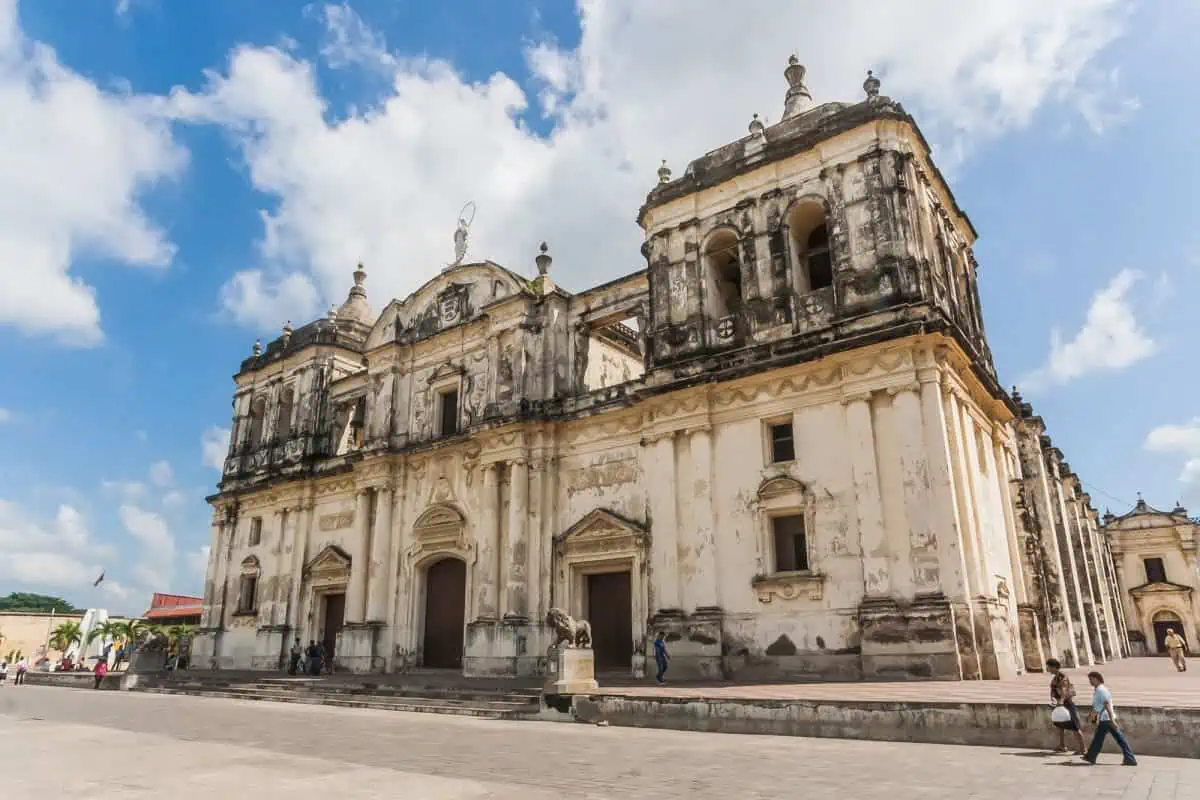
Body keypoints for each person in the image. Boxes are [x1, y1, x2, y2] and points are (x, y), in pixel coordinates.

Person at [1082, 671, 1137, 766]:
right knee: (1100, 739)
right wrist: (1092, 716)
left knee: (1117, 739)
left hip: (1106, 719)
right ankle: (1091, 756)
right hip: (1104, 718)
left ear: (1096, 679)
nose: (1090, 681)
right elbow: (1097, 705)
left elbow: (1106, 704)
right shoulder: (1098, 689)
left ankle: (1130, 758)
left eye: (1091, 679)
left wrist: (1112, 720)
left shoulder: (1101, 690)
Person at [1046, 658, 1084, 755]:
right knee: (1060, 725)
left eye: (1049, 667)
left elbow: (1063, 689)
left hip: (1066, 704)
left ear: (1054, 667)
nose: (1048, 669)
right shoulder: (1056, 677)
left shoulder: (1062, 676)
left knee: (1075, 726)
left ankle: (1083, 749)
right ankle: (1062, 745)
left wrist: (1061, 702)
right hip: (1060, 703)